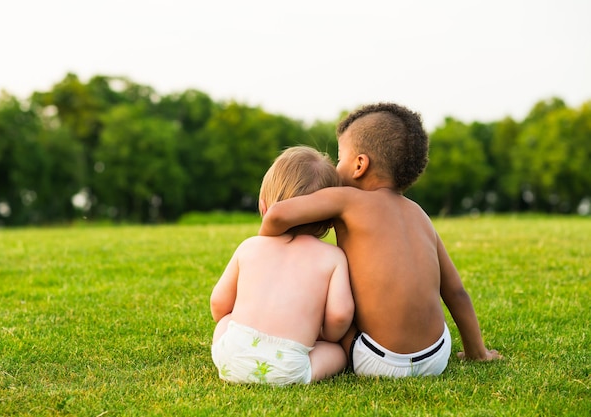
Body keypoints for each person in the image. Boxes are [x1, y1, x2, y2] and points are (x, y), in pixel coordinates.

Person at [259, 103, 502, 378]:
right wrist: (476, 353)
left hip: (378, 360)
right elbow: (456, 292)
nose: (336, 166)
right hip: (437, 354)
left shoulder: (348, 200)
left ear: (360, 164)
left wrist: (262, 250)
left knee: (333, 308)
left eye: (340, 158)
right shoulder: (420, 215)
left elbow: (278, 214)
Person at [210, 146, 354, 385]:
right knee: (338, 353)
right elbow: (340, 316)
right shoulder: (332, 257)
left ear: (263, 207)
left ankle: (233, 360)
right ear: (329, 221)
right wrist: (325, 336)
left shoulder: (250, 246)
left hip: (231, 356)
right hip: (288, 365)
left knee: (226, 322)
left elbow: (218, 305)